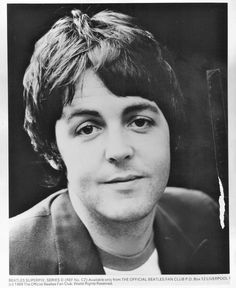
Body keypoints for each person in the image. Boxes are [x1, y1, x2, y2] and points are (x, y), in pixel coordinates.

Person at [10, 8, 228, 275]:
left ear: (171, 130)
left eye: (139, 122)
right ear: (53, 151)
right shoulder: (10, 258)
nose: (119, 150)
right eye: (87, 128)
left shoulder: (203, 215)